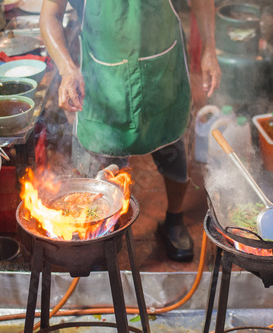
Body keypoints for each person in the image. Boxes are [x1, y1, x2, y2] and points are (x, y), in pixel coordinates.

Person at [40, 0, 221, 261]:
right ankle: (100, 231)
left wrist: (209, 51)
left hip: (162, 77)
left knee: (173, 151)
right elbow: (50, 15)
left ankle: (174, 220)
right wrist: (67, 68)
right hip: (103, 85)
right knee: (97, 175)